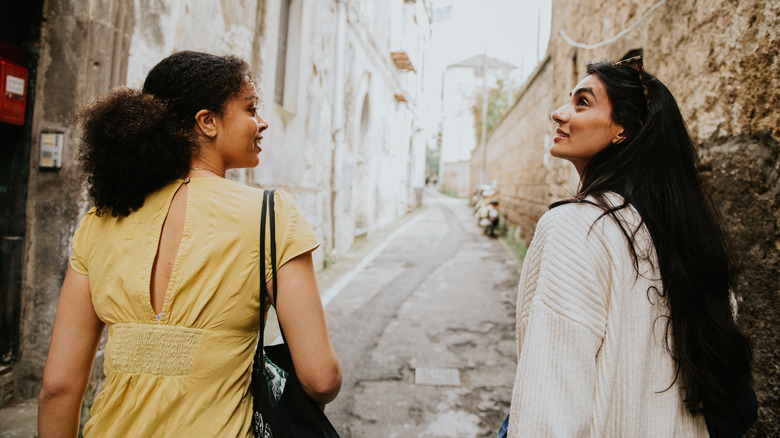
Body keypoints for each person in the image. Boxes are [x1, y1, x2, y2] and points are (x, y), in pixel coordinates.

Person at [37, 51, 341, 437]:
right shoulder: (270, 215)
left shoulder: (99, 222)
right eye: (250, 109)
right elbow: (321, 378)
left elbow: (57, 390)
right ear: (207, 122)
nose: (261, 123)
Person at [503, 57, 754, 437]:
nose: (559, 113)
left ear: (622, 130)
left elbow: (548, 408)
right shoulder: (686, 237)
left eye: (582, 102)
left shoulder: (575, 228)